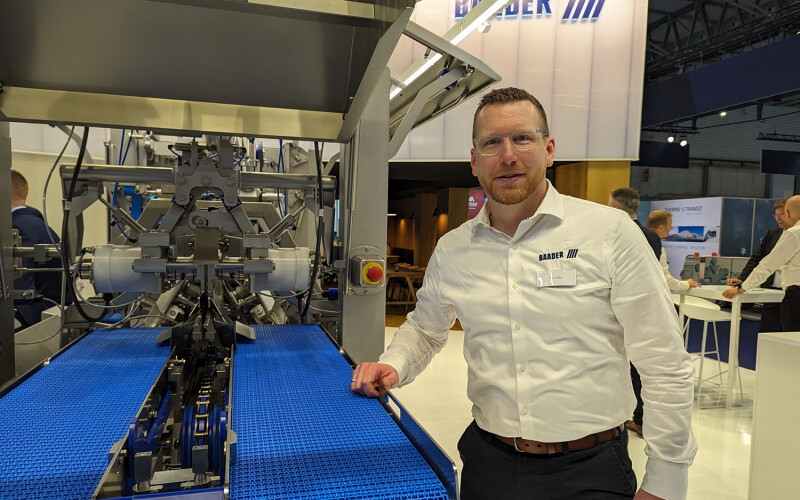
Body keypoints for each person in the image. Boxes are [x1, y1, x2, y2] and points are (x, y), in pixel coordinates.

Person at [351, 88, 696, 500]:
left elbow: (664, 362)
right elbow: (425, 330)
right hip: (488, 463)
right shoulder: (455, 248)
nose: (508, 155)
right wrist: (393, 365)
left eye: (523, 138)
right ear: (475, 160)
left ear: (549, 149)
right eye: (492, 142)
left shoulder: (609, 233)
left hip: (590, 471)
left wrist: (665, 479)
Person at [608, 187, 664, 439]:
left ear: (617, 208)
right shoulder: (652, 236)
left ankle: (635, 416)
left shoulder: (614, 234)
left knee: (629, 366)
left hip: (618, 310)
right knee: (645, 366)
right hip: (646, 310)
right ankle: (644, 417)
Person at [723, 195, 800, 331]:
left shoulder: (794, 233)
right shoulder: (775, 233)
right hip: (782, 292)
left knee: (791, 340)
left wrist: (742, 288)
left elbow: (768, 265)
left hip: (795, 295)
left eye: (782, 213)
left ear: (788, 213)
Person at [11, 169, 67, 328]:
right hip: (52, 314)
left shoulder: (15, 228)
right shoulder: (43, 226)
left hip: (31, 327)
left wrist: (33, 328)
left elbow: (21, 285)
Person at [647, 210, 700, 292]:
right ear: (660, 228)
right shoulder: (657, 249)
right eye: (669, 225)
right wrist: (686, 284)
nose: (671, 228)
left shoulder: (641, 243)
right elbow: (664, 279)